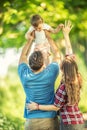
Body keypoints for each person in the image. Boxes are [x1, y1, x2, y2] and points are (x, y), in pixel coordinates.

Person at [28, 21, 85, 130]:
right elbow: (69, 51)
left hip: (69, 124)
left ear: (63, 69)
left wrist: (37, 106)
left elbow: (55, 107)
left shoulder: (64, 87)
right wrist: (66, 35)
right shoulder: (77, 77)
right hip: (79, 120)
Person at [18, 20, 62, 129]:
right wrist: (49, 37)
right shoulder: (50, 73)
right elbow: (57, 54)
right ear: (43, 63)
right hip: (50, 121)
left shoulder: (25, 75)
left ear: (29, 63)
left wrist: (30, 40)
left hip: (31, 122)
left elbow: (23, 55)